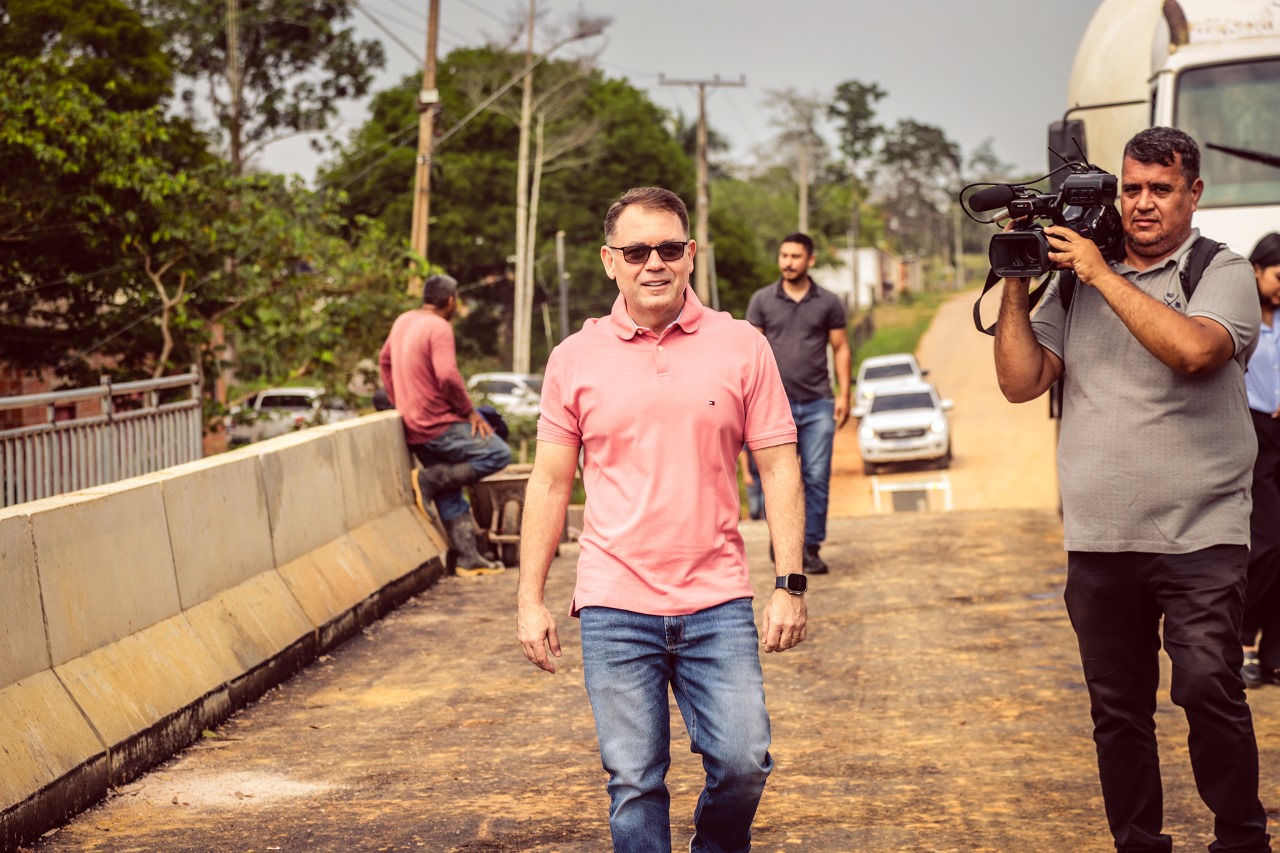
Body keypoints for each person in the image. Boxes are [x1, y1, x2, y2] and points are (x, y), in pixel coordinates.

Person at [992, 127, 1269, 852]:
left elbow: (1194, 351)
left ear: (1193, 193)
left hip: (1201, 533)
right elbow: (1021, 381)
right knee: (1117, 710)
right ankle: (1138, 841)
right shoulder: (1075, 283)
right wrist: (1018, 276)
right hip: (1100, 538)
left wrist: (1100, 272)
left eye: (1161, 189)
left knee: (1207, 685)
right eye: (1133, 188)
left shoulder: (1219, 269)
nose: (1143, 203)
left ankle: (1242, 839)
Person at [516, 187, 808, 853]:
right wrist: (530, 598)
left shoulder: (742, 345)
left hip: (717, 600)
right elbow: (550, 481)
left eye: (670, 248)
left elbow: (779, 467)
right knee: (634, 781)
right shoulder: (573, 358)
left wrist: (789, 584)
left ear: (691, 255)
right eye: (636, 251)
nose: (655, 263)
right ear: (609, 261)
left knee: (743, 762)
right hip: (615, 603)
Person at [379, 273, 513, 577]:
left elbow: (384, 361)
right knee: (498, 453)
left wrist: (399, 400)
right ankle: (428, 480)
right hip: (438, 426)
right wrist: (469, 412)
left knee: (450, 489)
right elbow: (447, 375)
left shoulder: (404, 320)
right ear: (450, 301)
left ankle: (468, 558)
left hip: (414, 427)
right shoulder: (439, 327)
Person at [746, 233, 851, 575]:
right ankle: (783, 541)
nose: (788, 262)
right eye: (784, 255)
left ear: (810, 260)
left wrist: (844, 394)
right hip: (774, 406)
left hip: (819, 402)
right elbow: (751, 352)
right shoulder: (762, 300)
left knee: (816, 477)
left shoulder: (828, 302)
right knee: (777, 477)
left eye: (795, 256)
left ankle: (811, 547)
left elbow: (841, 348)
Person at [1241, 232, 1280, 687]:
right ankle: (1243, 640)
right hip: (1252, 433)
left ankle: (1274, 652)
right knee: (1268, 542)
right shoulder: (1241, 315)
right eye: (1278, 277)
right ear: (1256, 270)